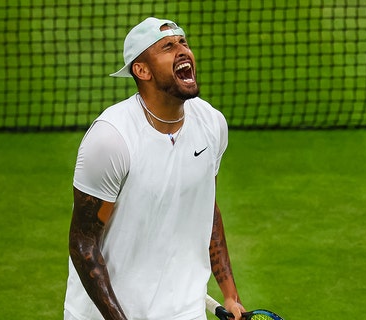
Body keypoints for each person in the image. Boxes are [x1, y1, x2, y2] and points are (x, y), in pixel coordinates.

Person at [64, 17, 245, 320]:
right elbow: (83, 242)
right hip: (104, 313)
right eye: (168, 47)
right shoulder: (111, 139)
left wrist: (230, 295)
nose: (182, 50)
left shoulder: (212, 124)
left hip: (183, 311)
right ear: (142, 70)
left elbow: (206, 207)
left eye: (183, 42)